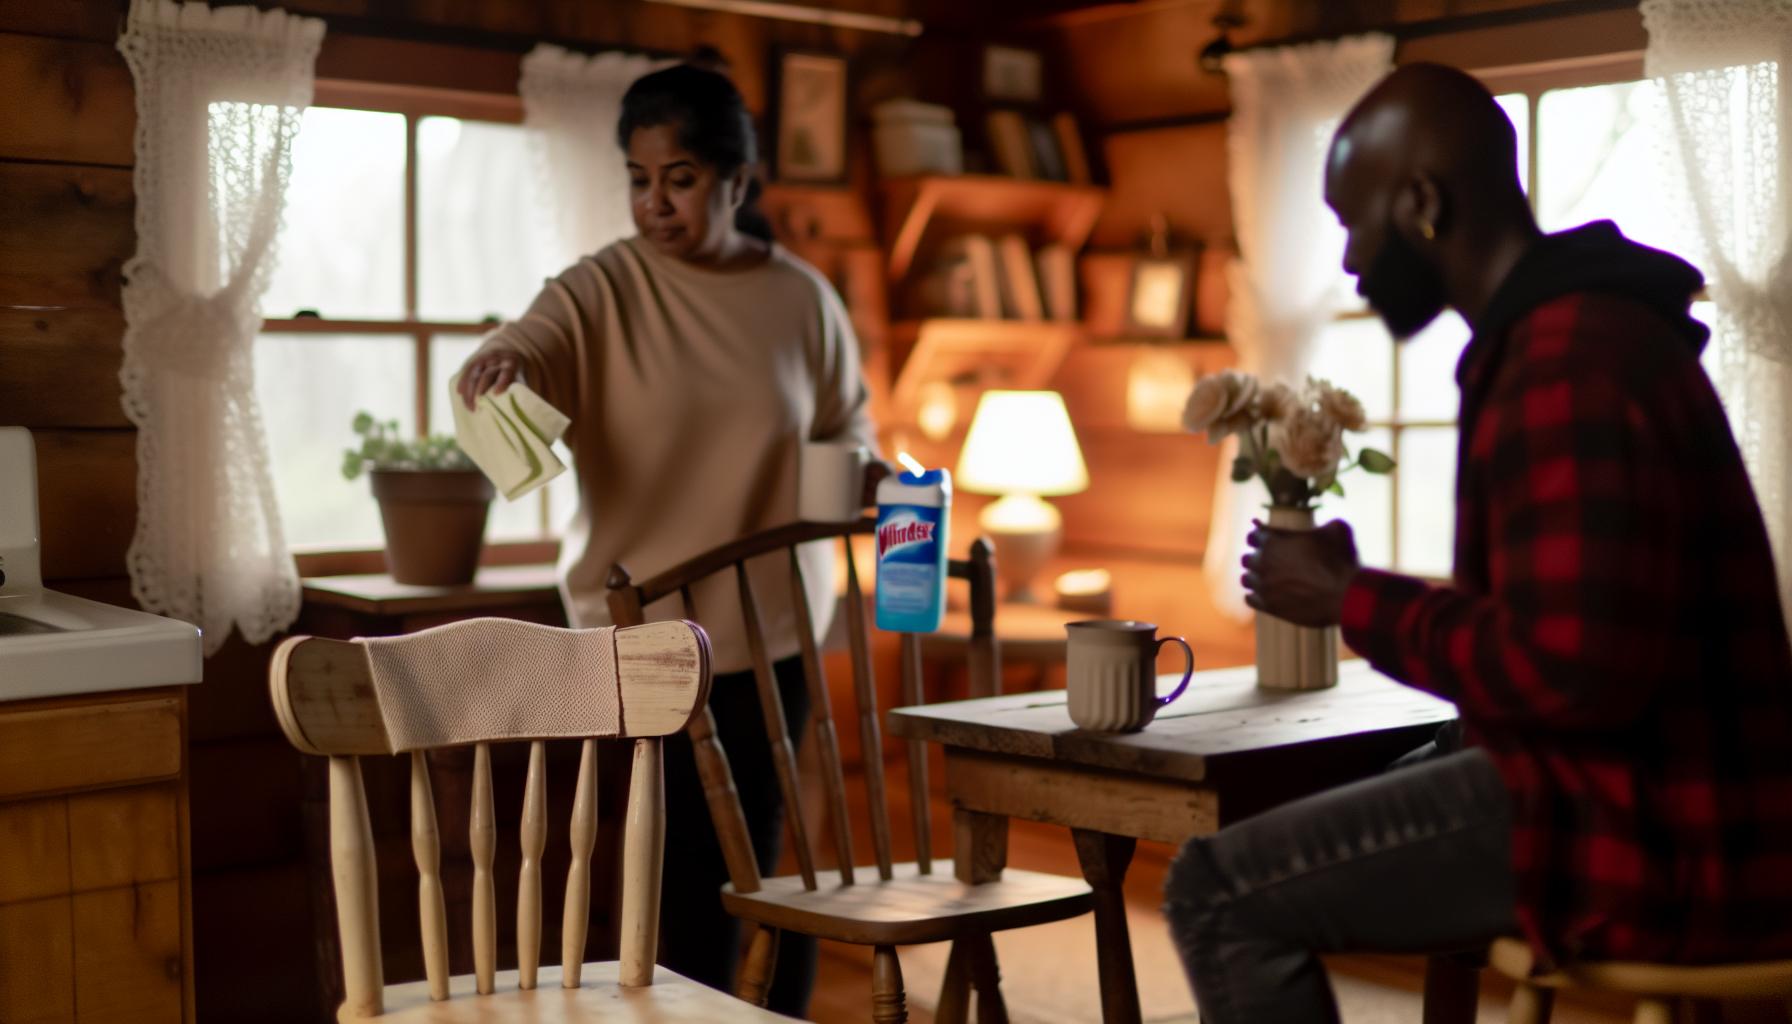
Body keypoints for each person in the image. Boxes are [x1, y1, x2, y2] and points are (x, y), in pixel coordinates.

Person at [1162, 62, 1792, 1023]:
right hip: (1661, 798)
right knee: (1389, 783)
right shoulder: (1581, 332)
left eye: (1351, 220)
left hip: (1652, 834)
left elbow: (1572, 671)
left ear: (1421, 203)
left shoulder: (1565, 359)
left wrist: (1347, 599)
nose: (1348, 261)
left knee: (1216, 892)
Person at [457, 62, 880, 1016]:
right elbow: (529, 342)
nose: (655, 203)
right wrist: (501, 361)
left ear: (736, 179)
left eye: (679, 178)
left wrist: (859, 471)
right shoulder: (601, 287)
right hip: (641, 641)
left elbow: (853, 429)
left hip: (772, 640)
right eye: (639, 180)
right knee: (670, 887)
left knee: (777, 877)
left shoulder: (803, 300)